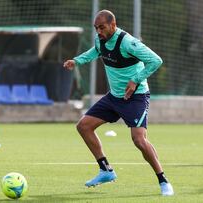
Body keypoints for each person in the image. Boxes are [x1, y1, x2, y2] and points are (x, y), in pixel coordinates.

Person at [63, 10, 174, 196]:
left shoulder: (128, 42)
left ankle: (163, 180)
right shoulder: (101, 39)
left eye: (102, 27)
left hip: (136, 97)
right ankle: (106, 170)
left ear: (113, 25)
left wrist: (135, 79)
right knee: (83, 126)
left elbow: (156, 60)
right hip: (114, 97)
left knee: (139, 140)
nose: (98, 31)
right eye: (96, 28)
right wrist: (77, 61)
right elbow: (95, 51)